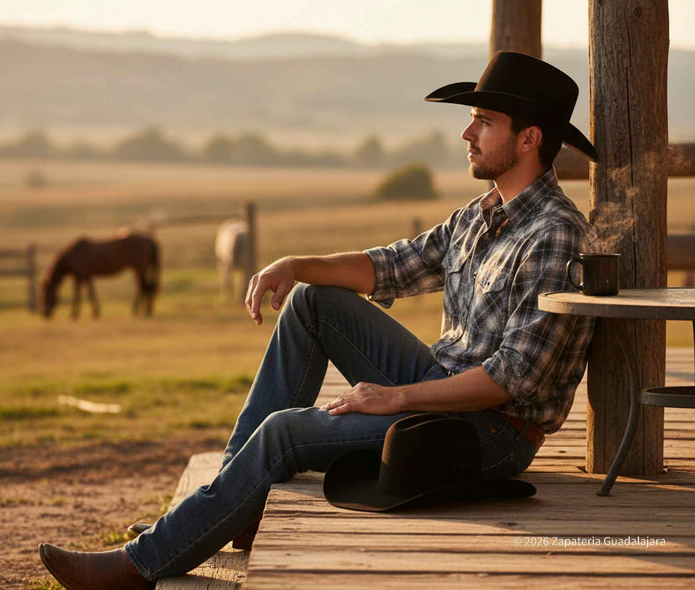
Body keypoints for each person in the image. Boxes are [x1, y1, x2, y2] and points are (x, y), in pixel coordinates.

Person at [39, 51, 598, 589]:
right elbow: (391, 266)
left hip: (492, 431)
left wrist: (395, 398)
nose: (466, 134)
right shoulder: (478, 217)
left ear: (529, 139)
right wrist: (299, 264)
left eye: (484, 121)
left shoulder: (554, 234)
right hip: (439, 386)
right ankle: (230, 506)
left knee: (286, 432)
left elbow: (512, 381)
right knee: (313, 299)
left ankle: (141, 565)